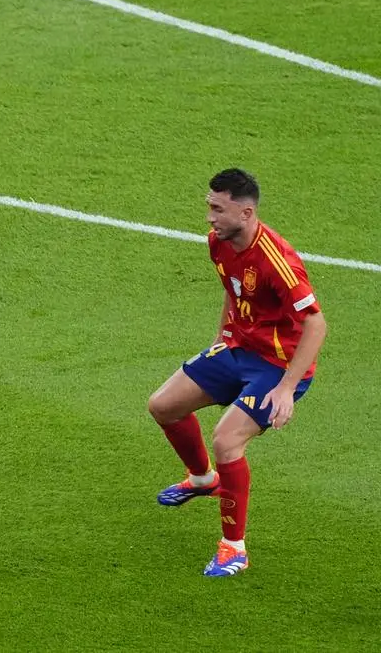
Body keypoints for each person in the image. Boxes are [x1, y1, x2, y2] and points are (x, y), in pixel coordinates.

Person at [148, 169, 327, 577]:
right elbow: (233, 289)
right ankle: (202, 479)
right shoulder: (219, 243)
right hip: (239, 349)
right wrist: (221, 337)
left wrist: (285, 389)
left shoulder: (277, 260)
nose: (210, 217)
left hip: (279, 366)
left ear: (245, 213)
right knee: (163, 406)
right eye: (209, 207)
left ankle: (234, 548)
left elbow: (316, 325)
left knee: (227, 439)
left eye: (217, 209)